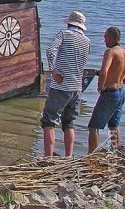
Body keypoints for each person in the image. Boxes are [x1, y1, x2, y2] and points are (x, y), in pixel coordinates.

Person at [40, 11, 91, 157]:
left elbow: (50, 51)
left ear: (69, 23)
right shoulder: (87, 41)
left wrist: (53, 70)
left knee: (48, 121)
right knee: (69, 123)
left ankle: (48, 158)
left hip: (61, 86)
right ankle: (69, 157)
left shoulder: (64, 34)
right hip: (77, 88)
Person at [88, 26, 125, 153]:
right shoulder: (123, 52)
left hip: (110, 93)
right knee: (114, 126)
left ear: (110, 37)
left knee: (93, 127)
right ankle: (115, 151)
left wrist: (100, 87)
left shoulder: (110, 52)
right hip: (120, 92)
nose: (104, 40)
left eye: (105, 37)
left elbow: (104, 72)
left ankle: (92, 156)